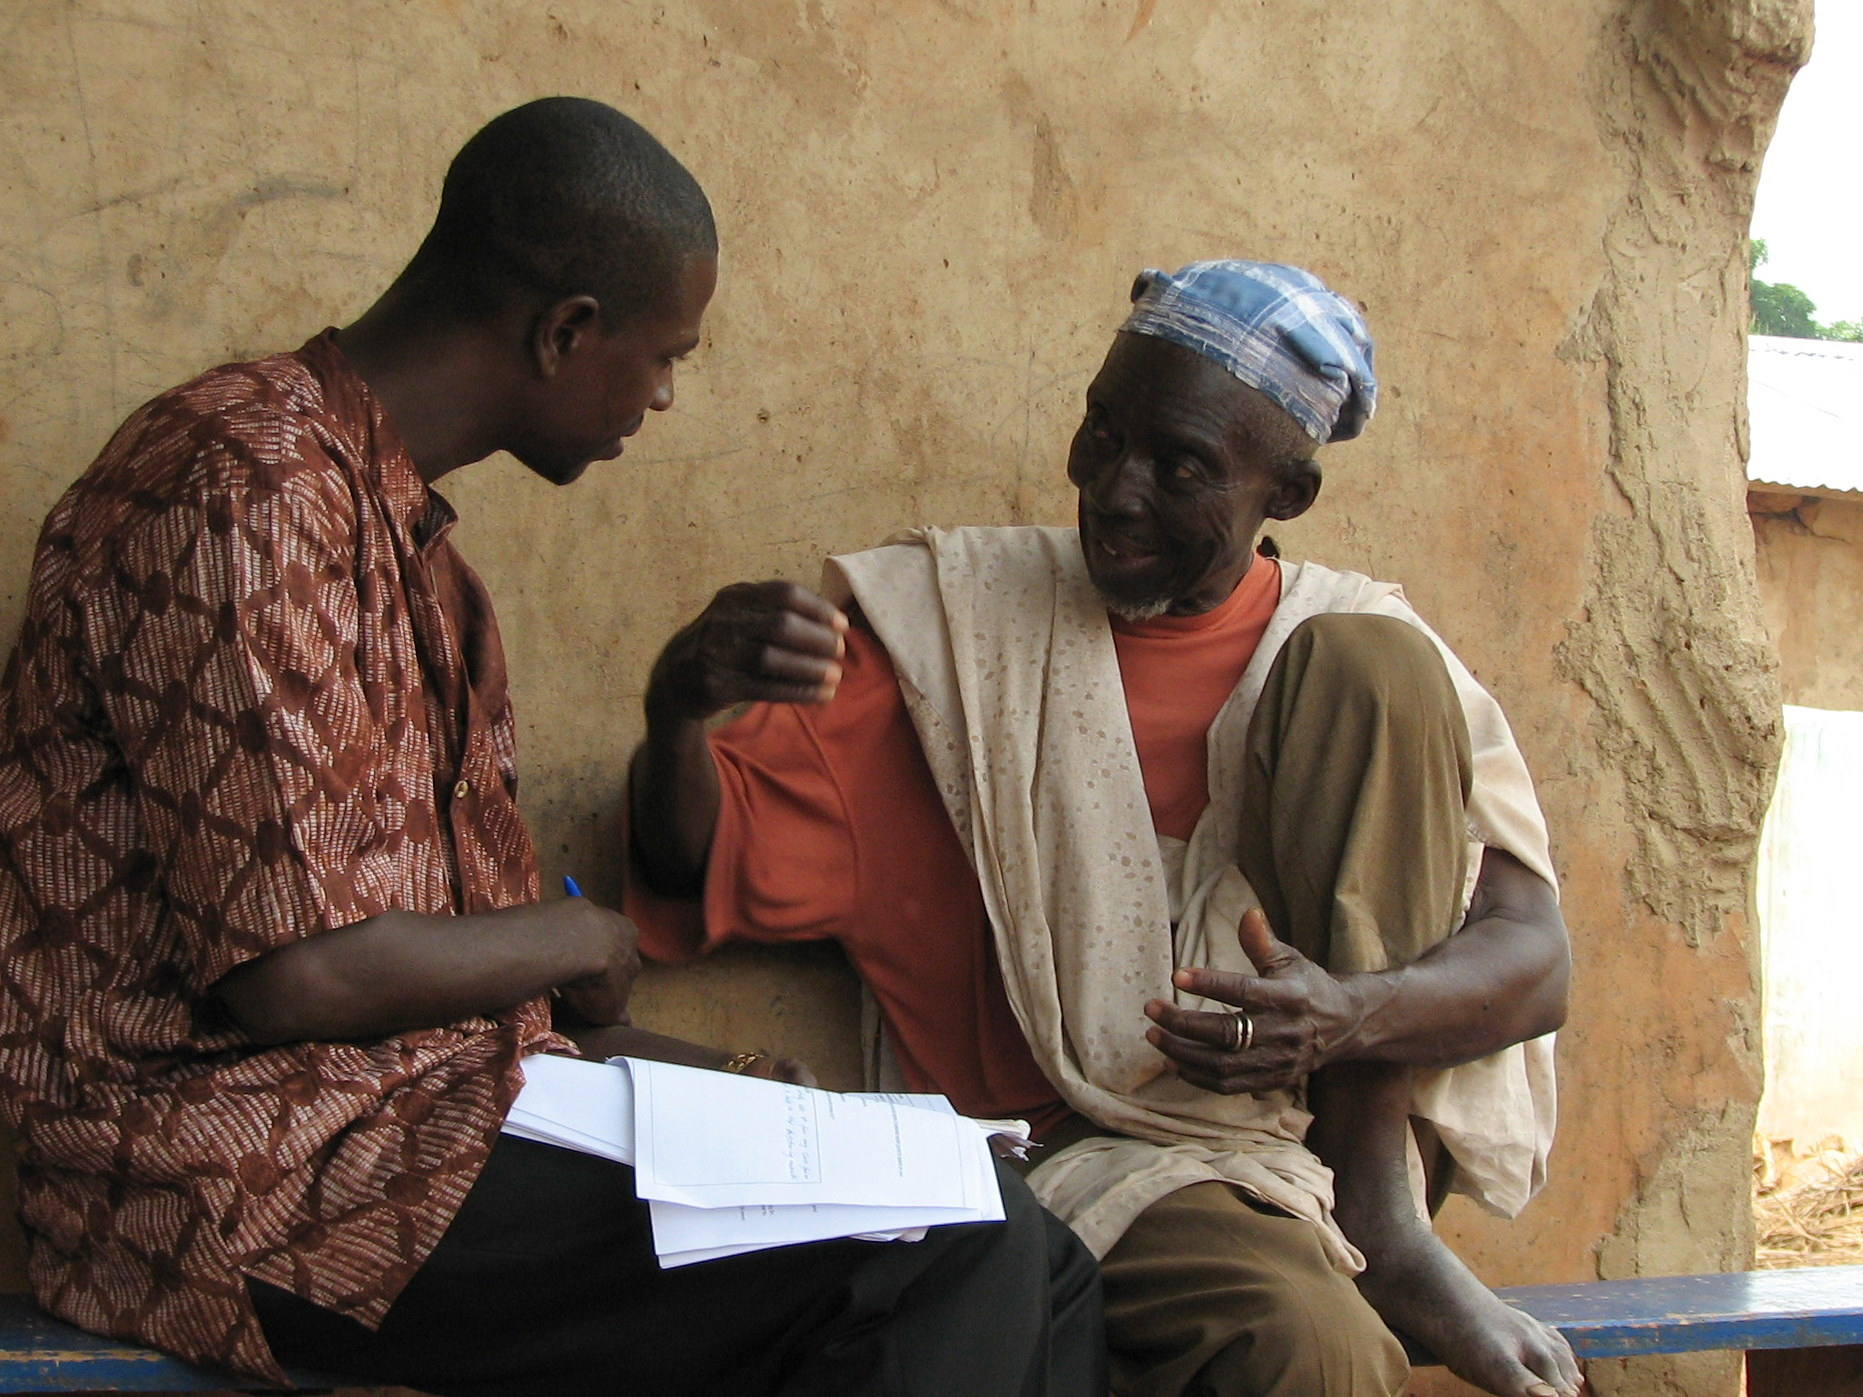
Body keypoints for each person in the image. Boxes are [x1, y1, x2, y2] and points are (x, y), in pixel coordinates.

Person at [0, 97, 1103, 1397]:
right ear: (566, 330)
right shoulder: (245, 487)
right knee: (943, 1256)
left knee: (1036, 1252)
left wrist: (739, 1088)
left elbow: (472, 1006)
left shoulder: (419, 562)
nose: (665, 394)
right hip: (232, 1181)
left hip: (417, 1128)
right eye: (662, 355)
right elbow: (298, 980)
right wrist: (585, 938)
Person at [628, 260, 1584, 1397]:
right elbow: (691, 856)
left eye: (1180, 466)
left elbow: (1533, 963)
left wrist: (1348, 1017)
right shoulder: (956, 643)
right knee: (1307, 1350)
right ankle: (1340, 1256)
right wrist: (677, 709)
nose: (1114, 491)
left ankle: (1383, 1215)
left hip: (1304, 1144)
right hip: (1072, 1152)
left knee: (1377, 670)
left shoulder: (1356, 638)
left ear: (1289, 491)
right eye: (1099, 435)